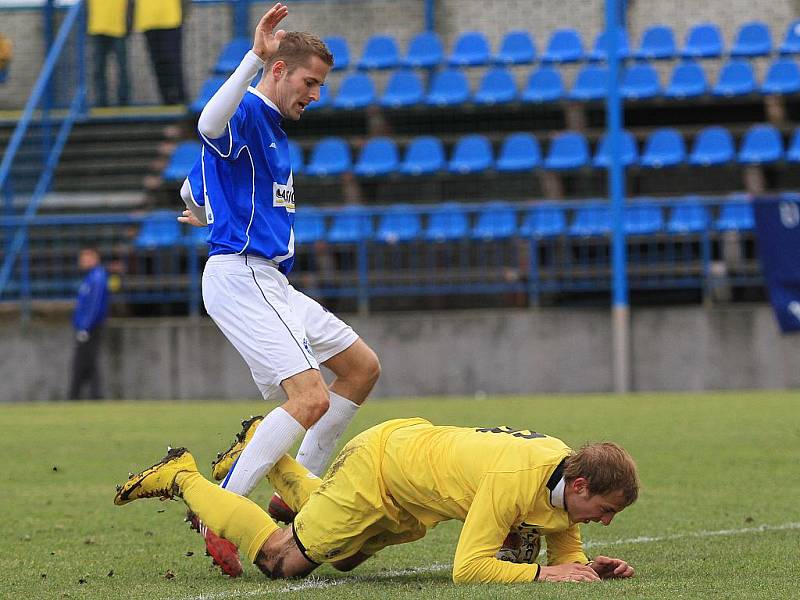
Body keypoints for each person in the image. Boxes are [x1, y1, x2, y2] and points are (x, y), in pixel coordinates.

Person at [175, 2, 381, 570]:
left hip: (268, 278)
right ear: (278, 71)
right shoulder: (247, 112)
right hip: (243, 275)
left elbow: (193, 186)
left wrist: (199, 207)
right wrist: (251, 58)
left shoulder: (270, 132)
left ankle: (295, 492)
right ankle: (224, 513)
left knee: (361, 367)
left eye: (319, 84)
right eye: (309, 82)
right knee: (310, 397)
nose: (315, 94)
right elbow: (207, 125)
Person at [115, 418, 639, 583]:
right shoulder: (517, 478)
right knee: (283, 562)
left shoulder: (564, 475)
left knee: (343, 557)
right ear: (580, 487)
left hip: (410, 493)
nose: (607, 523)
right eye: (606, 510)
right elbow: (470, 567)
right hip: (381, 469)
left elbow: (563, 545)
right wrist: (543, 575)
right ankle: (181, 475)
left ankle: (267, 449)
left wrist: (587, 567)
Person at [68, 247, 110, 400]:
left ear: (95, 257)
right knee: (87, 363)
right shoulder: (90, 277)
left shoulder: (97, 278)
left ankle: (76, 396)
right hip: (86, 326)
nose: (83, 261)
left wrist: (85, 327)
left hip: (91, 328)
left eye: (86, 257)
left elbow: (94, 305)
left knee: (83, 362)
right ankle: (92, 395)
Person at [133, 0, 186, 104]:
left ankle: (180, 96)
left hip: (170, 18)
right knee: (158, 62)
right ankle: (166, 98)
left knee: (172, 60)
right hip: (147, 19)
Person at [86, 0, 130, 106]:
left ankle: (123, 102)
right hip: (97, 28)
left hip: (118, 28)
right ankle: (101, 101)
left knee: (122, 67)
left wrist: (128, 24)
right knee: (98, 68)